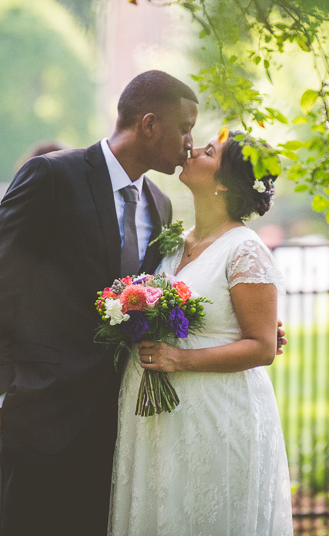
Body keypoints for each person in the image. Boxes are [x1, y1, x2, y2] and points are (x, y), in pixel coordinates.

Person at [0, 70, 199, 535]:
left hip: (119, 430)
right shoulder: (52, 176)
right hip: (38, 419)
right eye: (185, 127)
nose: (190, 143)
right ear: (149, 124)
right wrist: (0, 399)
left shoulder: (160, 205)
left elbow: (159, 301)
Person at [108, 130, 293, 535]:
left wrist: (181, 358)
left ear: (224, 182)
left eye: (209, 151)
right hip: (158, 420)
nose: (192, 149)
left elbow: (262, 347)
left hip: (215, 416)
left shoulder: (244, 248)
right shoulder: (175, 241)